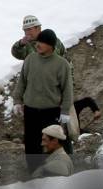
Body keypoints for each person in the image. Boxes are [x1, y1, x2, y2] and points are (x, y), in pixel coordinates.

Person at [13, 29, 73, 171]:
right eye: (38, 41)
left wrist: (65, 111)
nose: (38, 44)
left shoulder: (61, 64)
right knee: (32, 143)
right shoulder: (30, 59)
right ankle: (33, 172)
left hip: (51, 112)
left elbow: (67, 89)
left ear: (51, 46)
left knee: (53, 143)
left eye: (42, 42)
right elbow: (22, 82)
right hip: (31, 110)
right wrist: (17, 101)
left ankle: (58, 171)